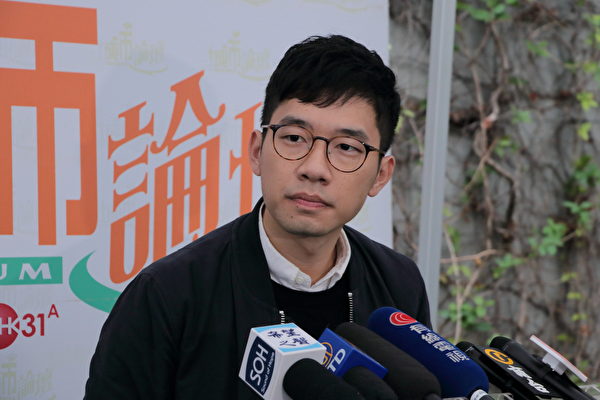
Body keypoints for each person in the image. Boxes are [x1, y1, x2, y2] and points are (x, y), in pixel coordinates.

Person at [84, 34, 430, 399]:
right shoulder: (168, 294)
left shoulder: (398, 283)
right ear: (256, 150)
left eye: (346, 147)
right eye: (294, 138)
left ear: (380, 175)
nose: (314, 168)